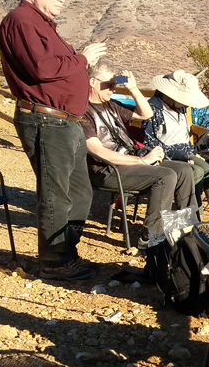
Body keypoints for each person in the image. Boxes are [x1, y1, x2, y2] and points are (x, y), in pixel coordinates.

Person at [0, 0, 108, 281]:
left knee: (79, 191)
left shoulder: (41, 24)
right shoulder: (21, 21)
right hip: (47, 120)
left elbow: (54, 67)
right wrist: (82, 59)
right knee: (56, 194)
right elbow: (42, 69)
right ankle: (54, 261)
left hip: (66, 121)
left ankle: (66, 254)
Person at [83, 65, 197, 241]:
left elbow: (146, 114)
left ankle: (185, 230)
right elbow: (99, 152)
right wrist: (141, 161)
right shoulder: (82, 111)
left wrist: (134, 89)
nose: (113, 89)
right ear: (92, 82)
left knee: (184, 171)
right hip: (107, 170)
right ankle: (152, 238)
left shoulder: (111, 105)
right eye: (109, 84)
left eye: (115, 84)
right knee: (165, 176)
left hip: (129, 160)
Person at [143, 70, 209, 217]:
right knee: (197, 172)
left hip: (185, 153)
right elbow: (149, 142)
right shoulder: (153, 109)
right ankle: (194, 217)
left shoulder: (181, 108)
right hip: (165, 156)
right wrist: (182, 155)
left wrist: (193, 152)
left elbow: (183, 137)